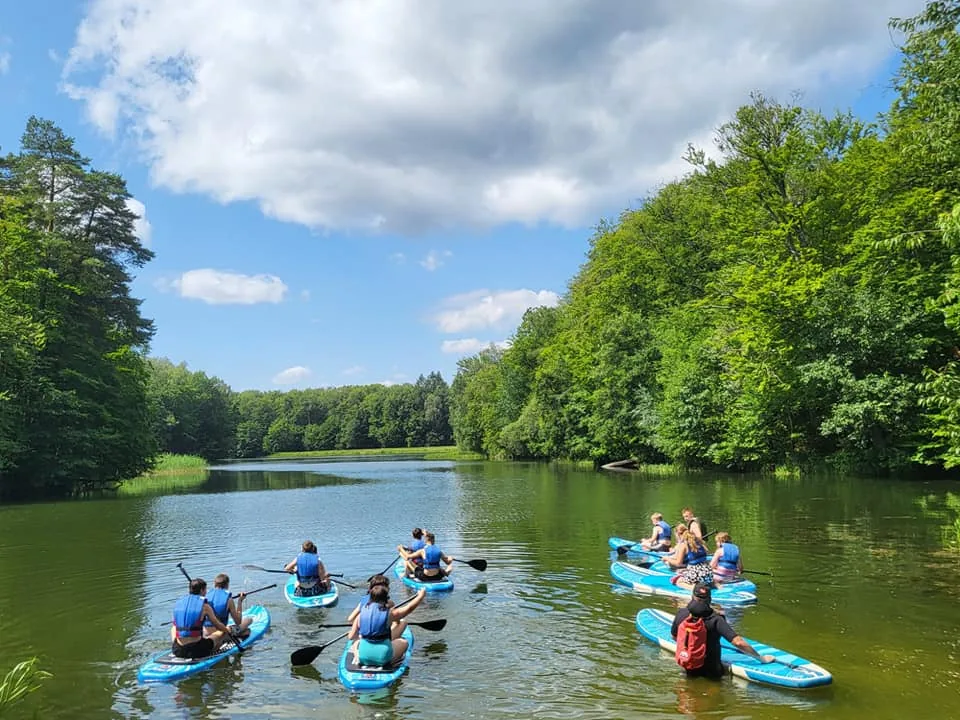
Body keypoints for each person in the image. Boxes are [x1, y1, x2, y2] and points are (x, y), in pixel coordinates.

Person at [671, 582, 774, 678]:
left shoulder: (681, 613)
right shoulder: (716, 619)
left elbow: (674, 637)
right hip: (711, 669)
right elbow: (738, 642)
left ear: (692, 596)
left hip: (688, 665)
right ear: (709, 599)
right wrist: (761, 658)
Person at [348, 586, 426, 666]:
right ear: (386, 599)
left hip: (363, 657)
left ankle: (358, 657)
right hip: (383, 657)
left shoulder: (360, 615)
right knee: (404, 642)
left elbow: (352, 636)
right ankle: (391, 663)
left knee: (356, 642)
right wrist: (420, 596)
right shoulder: (390, 614)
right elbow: (409, 608)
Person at [170, 578, 233, 659]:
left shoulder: (178, 603)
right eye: (205, 590)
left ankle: (178, 644)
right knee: (220, 632)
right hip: (197, 651)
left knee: (173, 628)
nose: (206, 592)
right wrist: (227, 630)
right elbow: (218, 625)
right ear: (202, 590)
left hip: (178, 650)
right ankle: (215, 651)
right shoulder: (205, 606)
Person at [203, 573, 253, 639]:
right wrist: (240, 601)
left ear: (215, 584)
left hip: (205, 632)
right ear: (227, 585)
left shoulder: (205, 596)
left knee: (245, 631)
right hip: (220, 633)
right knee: (248, 620)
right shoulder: (229, 599)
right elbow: (238, 622)